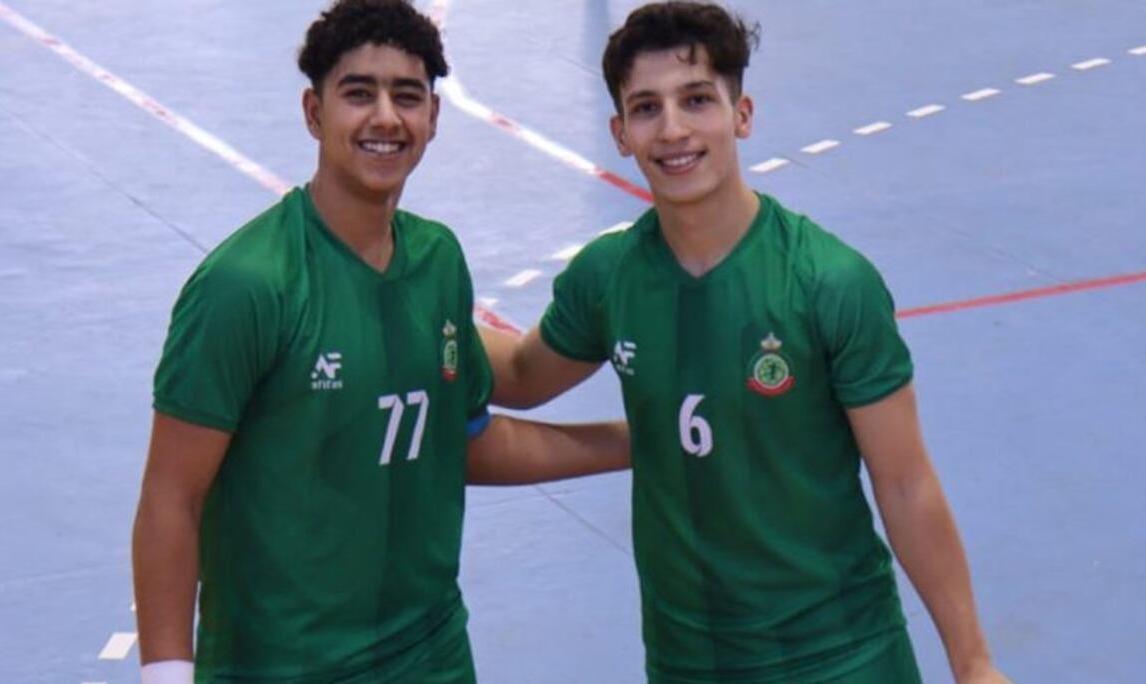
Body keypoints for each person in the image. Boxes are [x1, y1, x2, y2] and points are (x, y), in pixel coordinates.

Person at [481, 2, 1010, 682]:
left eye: (696, 100)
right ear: (620, 134)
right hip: (689, 663)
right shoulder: (609, 278)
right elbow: (523, 376)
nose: (673, 129)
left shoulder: (829, 283)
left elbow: (905, 483)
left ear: (742, 114)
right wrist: (418, 306)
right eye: (646, 108)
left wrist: (973, 662)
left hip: (843, 658)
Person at [130, 1, 628, 682]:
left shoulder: (437, 261)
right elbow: (171, 498)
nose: (386, 117)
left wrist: (639, 441)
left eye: (407, 96)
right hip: (281, 668)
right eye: (359, 94)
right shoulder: (245, 286)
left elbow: (462, 441)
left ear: (434, 116)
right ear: (314, 112)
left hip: (432, 658)